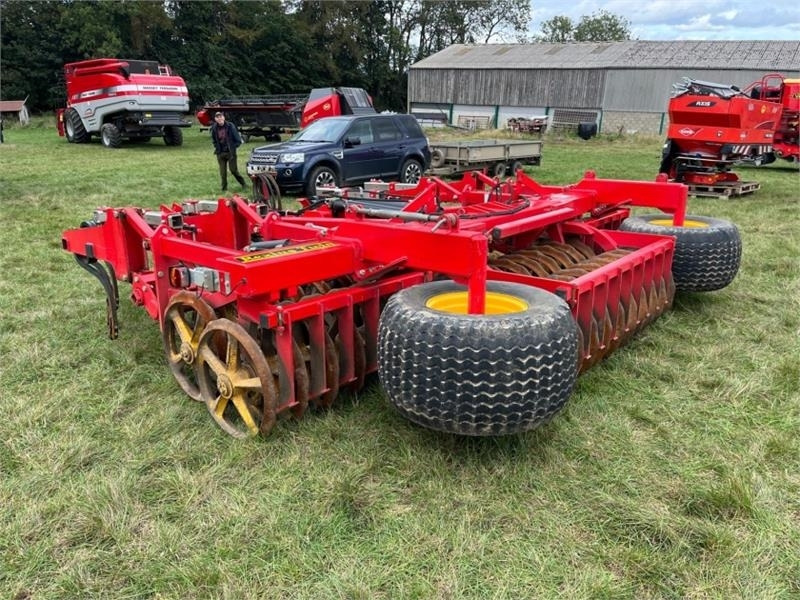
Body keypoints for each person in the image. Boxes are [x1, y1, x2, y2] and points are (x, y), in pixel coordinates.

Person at [210, 111, 246, 191]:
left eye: (221, 116)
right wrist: (216, 147)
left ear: (224, 117)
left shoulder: (230, 126)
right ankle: (224, 189)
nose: (219, 118)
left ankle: (243, 183)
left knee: (233, 170)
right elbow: (213, 139)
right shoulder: (214, 128)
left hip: (230, 153)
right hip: (220, 153)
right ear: (215, 119)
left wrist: (233, 148)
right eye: (217, 117)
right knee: (223, 173)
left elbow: (238, 140)